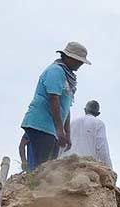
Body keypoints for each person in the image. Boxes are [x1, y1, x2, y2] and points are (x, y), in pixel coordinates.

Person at [21, 41, 91, 171]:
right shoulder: (55, 71)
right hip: (41, 125)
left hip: (51, 128)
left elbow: (66, 107)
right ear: (69, 58)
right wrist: (60, 130)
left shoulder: (68, 78)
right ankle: (34, 190)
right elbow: (53, 99)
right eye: (79, 61)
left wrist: (67, 133)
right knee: (40, 167)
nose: (81, 64)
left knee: (49, 167)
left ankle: (43, 190)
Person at [60, 100, 112, 167]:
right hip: (85, 166)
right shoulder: (98, 123)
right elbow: (102, 148)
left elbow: (63, 143)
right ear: (98, 113)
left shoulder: (73, 122)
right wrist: (109, 168)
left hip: (66, 163)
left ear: (85, 110)